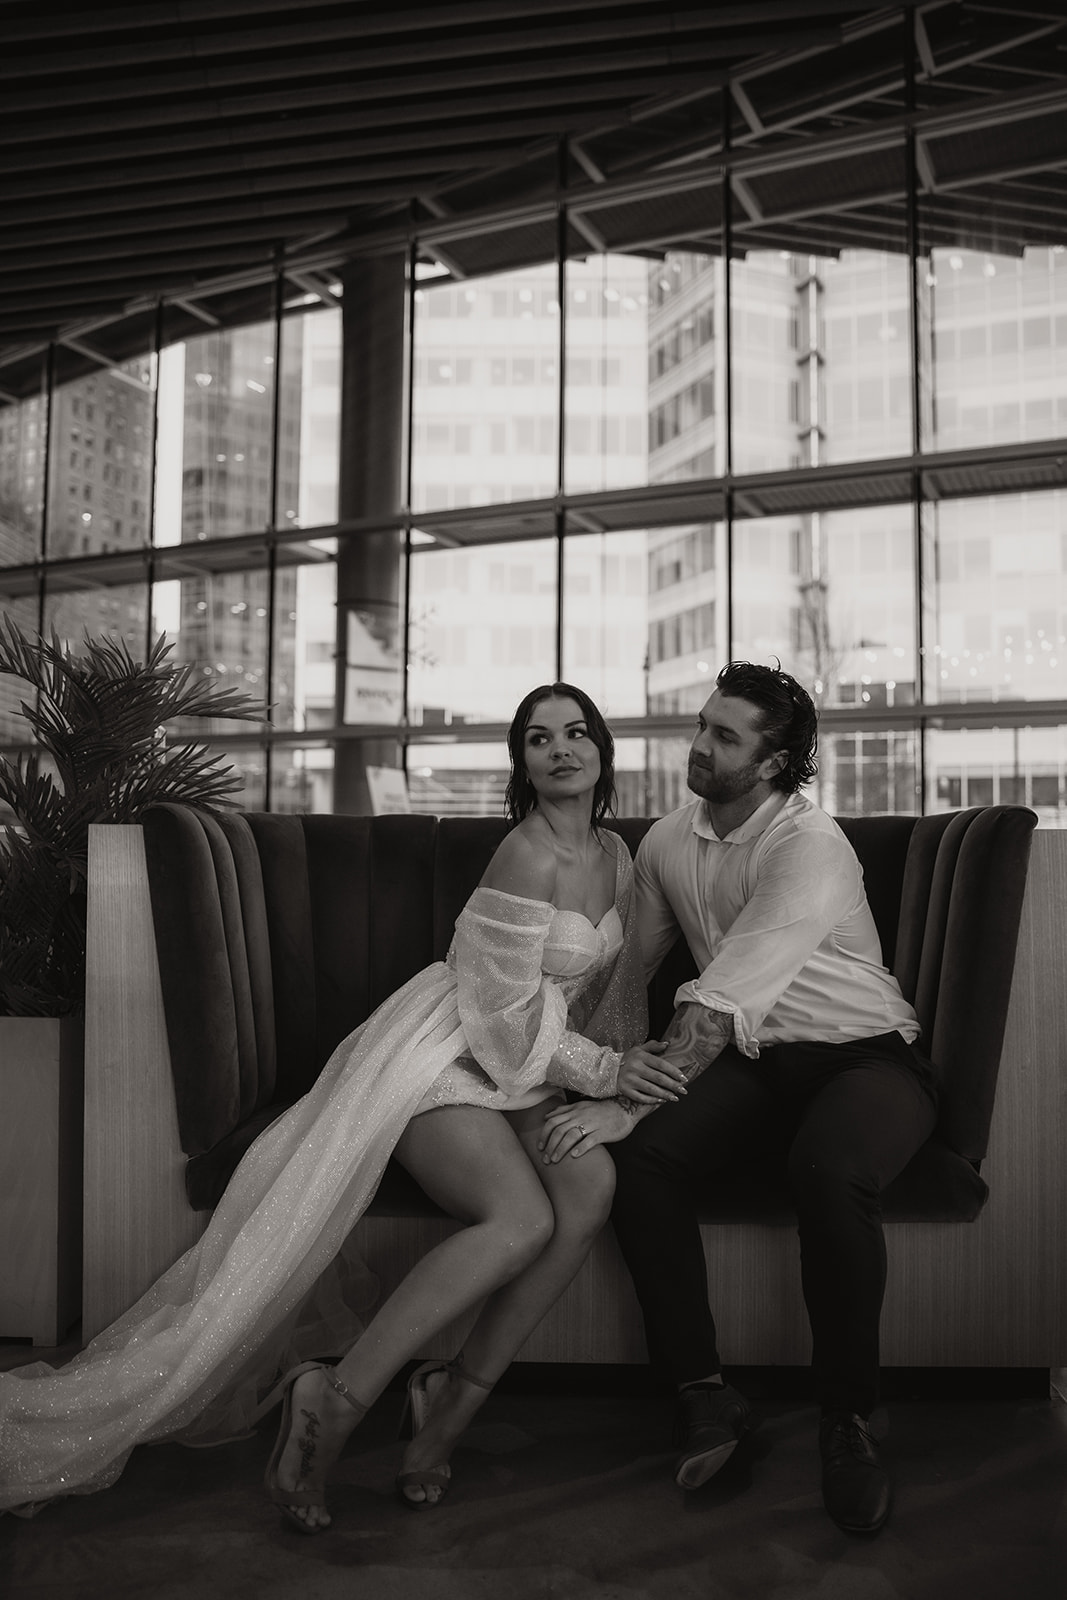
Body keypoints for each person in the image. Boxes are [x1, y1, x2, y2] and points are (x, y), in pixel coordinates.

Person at [0, 682, 684, 1533]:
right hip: (449, 1050)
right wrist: (609, 1069)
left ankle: (446, 1408)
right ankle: (336, 1398)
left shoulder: (619, 858)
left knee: (590, 1191)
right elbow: (502, 1023)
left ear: (602, 749)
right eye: (539, 738)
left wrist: (624, 1081)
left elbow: (610, 993)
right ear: (521, 761)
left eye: (577, 733)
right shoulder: (523, 855)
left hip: (541, 1068)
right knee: (518, 1222)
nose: (561, 749)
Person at [542, 661, 938, 1537]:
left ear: (772, 761)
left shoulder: (808, 845)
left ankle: (848, 1421)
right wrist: (563, 1062)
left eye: (724, 736)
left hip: (860, 1057)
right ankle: (702, 1392)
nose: (699, 745)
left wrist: (629, 1099)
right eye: (702, 725)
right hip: (756, 1064)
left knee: (827, 1170)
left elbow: (717, 1002)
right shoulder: (667, 841)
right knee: (641, 1161)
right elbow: (627, 974)